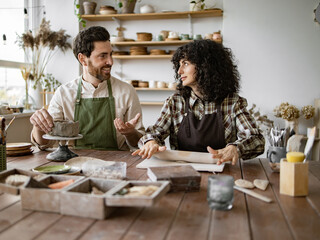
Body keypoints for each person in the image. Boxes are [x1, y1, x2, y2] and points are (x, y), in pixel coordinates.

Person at [133, 40, 265, 165]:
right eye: (179, 65)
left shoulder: (232, 103)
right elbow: (155, 132)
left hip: (221, 171)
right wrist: (150, 142)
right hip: (182, 169)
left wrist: (235, 148)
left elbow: (256, 139)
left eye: (185, 63)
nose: (179, 71)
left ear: (205, 66)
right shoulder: (175, 102)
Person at [30, 26, 144, 150]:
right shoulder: (63, 93)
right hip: (74, 164)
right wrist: (38, 126)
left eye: (111, 54)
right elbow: (45, 143)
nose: (110, 62)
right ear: (82, 59)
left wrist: (130, 133)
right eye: (103, 56)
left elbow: (139, 143)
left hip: (115, 166)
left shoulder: (126, 91)